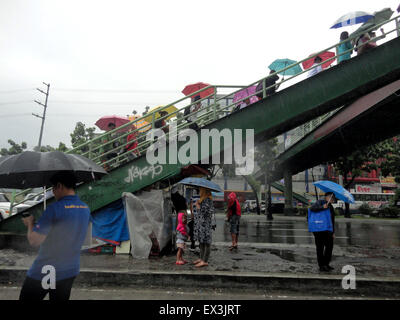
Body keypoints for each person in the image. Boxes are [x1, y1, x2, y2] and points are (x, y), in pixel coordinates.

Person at [19, 171, 91, 300]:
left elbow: (34, 241)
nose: (53, 192)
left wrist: (30, 224)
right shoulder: (85, 208)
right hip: (70, 269)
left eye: (53, 188)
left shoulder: (54, 209)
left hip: (46, 269)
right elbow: (76, 234)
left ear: (60, 186)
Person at [309, 192, 336, 272]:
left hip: (328, 230)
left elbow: (332, 221)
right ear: (326, 197)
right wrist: (322, 207)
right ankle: (321, 265)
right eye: (331, 197)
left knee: (329, 247)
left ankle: (326, 264)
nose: (333, 199)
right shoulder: (320, 202)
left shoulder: (331, 207)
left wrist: (333, 232)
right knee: (320, 248)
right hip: (319, 230)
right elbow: (312, 209)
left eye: (333, 198)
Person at [193, 187, 214, 268]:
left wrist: (198, 206)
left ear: (205, 191)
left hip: (205, 225)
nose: (200, 191)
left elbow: (205, 213)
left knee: (206, 242)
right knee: (201, 242)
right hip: (202, 224)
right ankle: (201, 258)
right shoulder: (203, 199)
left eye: (201, 190)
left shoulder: (208, 199)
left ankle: (205, 261)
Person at [173, 195, 189, 265]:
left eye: (185, 218)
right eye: (183, 218)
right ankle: (177, 259)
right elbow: (183, 232)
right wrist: (187, 235)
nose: (185, 219)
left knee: (182, 250)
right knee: (179, 250)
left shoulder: (183, 225)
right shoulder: (180, 226)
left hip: (183, 240)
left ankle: (181, 258)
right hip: (180, 240)